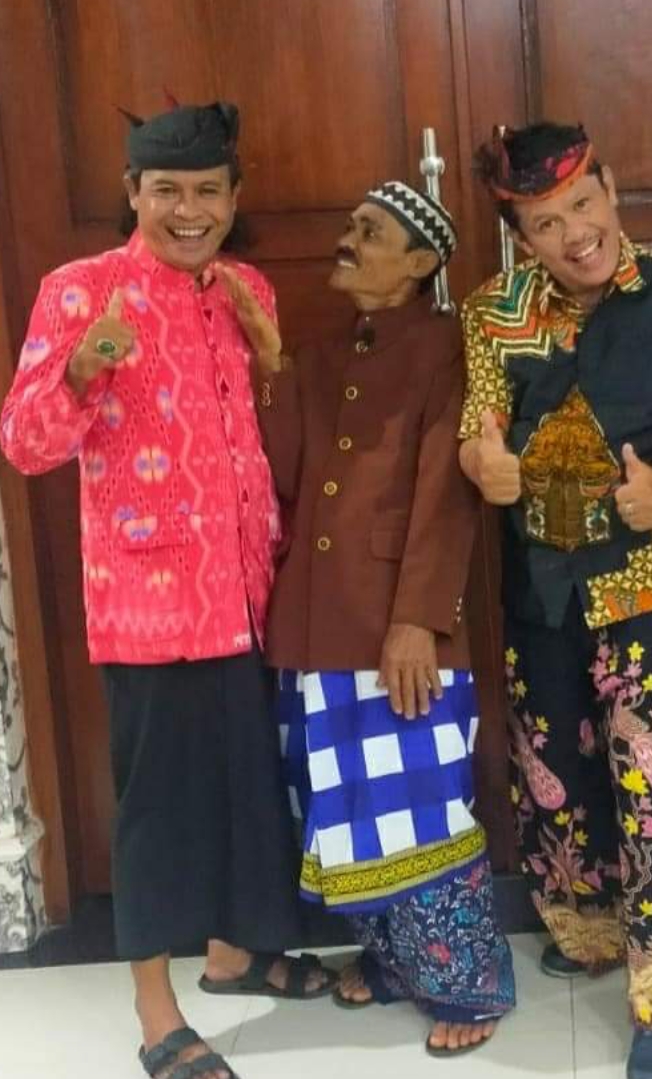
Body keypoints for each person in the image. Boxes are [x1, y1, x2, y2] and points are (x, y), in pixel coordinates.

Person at [0, 99, 336, 1079]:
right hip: (149, 604)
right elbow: (25, 443)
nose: (188, 211)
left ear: (233, 197)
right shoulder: (81, 290)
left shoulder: (245, 289)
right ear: (132, 193)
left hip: (251, 593)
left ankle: (233, 953)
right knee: (159, 812)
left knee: (248, 791)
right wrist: (80, 367)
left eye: (207, 192)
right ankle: (156, 1013)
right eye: (166, 191)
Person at [459, 123, 652, 1079]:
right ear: (520, 237)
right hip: (542, 579)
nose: (573, 234)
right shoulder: (493, 309)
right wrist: (485, 465)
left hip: (651, 576)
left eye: (582, 206)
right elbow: (477, 428)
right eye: (545, 224)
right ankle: (587, 926)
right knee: (552, 760)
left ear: (611, 189)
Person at [254, 180, 515, 1056]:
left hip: (397, 628)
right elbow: (286, 475)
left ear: (420, 262)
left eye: (370, 232)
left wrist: (418, 621)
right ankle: (397, 960)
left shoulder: (449, 347)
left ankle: (468, 983)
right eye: (350, 224)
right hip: (312, 625)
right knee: (341, 808)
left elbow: (446, 495)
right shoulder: (324, 353)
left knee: (418, 807)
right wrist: (272, 366)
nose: (348, 239)